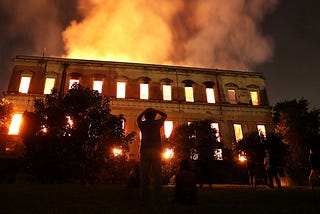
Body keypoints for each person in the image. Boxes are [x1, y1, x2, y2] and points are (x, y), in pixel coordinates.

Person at [137, 107, 167, 205]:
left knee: (144, 176)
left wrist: (145, 110)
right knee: (157, 175)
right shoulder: (157, 123)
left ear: (145, 116)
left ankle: (144, 197)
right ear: (154, 116)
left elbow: (138, 118)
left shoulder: (143, 124)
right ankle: (158, 198)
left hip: (145, 149)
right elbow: (165, 115)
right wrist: (156, 110)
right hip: (156, 150)